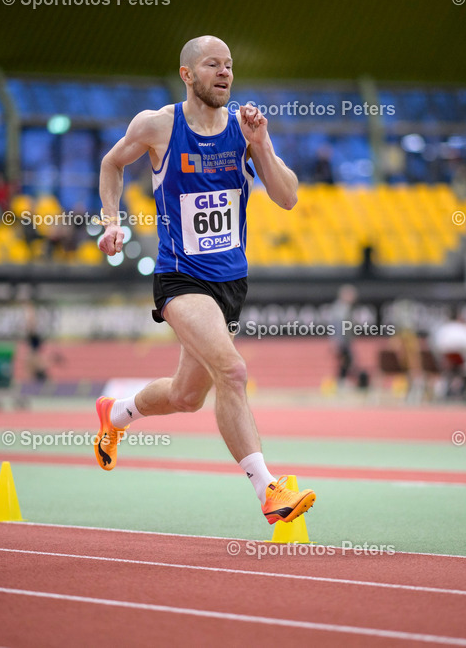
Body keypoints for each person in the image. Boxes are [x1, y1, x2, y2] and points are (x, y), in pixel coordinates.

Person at [93, 35, 315, 526]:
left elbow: (288, 197)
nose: (225, 73)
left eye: (230, 65)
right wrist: (112, 220)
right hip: (179, 278)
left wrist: (262, 146)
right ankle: (268, 490)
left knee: (185, 397)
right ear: (187, 74)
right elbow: (112, 163)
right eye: (213, 64)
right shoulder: (158, 125)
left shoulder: (245, 128)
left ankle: (116, 413)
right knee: (232, 373)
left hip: (231, 282)